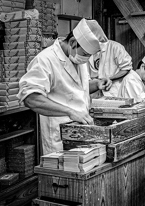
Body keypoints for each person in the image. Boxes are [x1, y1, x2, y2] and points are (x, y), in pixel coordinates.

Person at [17, 19, 112, 155]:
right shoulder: (45, 60)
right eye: (85, 54)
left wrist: (97, 84)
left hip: (82, 134)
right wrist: (69, 111)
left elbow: (77, 90)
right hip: (59, 139)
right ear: (73, 42)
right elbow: (30, 98)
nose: (86, 58)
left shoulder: (78, 58)